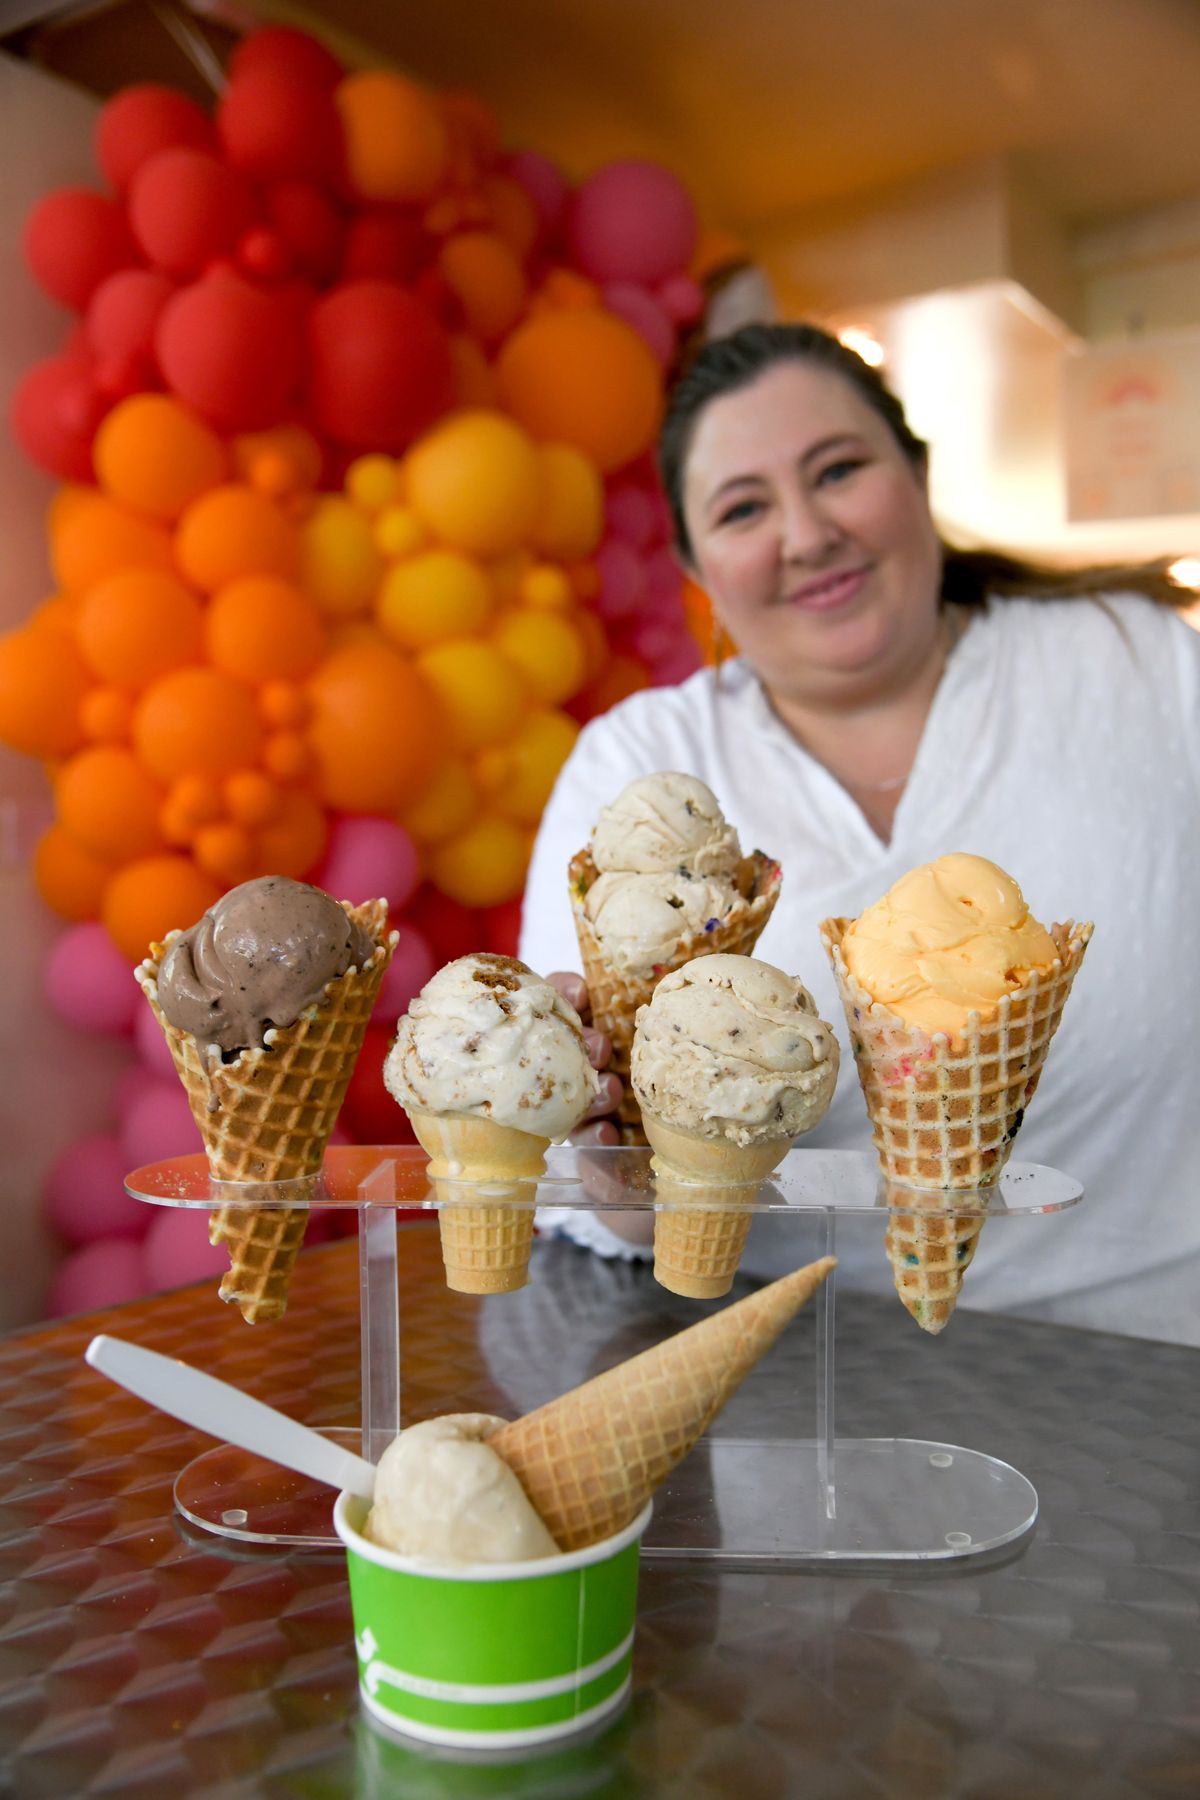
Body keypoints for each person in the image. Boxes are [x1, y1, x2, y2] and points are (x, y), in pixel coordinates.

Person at [519, 322, 1200, 1347]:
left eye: (838, 470)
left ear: (917, 475)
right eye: (744, 508)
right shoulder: (639, 763)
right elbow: (561, 1187)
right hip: (782, 1388)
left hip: (1159, 1371)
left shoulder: (1141, 665)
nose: (806, 534)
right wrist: (624, 1186)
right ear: (694, 560)